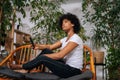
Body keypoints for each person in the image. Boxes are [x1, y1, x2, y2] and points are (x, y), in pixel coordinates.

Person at [9, 13, 83, 78]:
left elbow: (60, 55)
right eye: (62, 22)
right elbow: (50, 47)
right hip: (66, 66)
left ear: (73, 24)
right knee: (46, 51)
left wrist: (44, 57)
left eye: (66, 22)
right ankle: (27, 68)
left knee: (43, 58)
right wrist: (38, 46)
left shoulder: (75, 38)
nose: (63, 24)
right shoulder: (64, 39)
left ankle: (23, 67)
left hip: (73, 71)